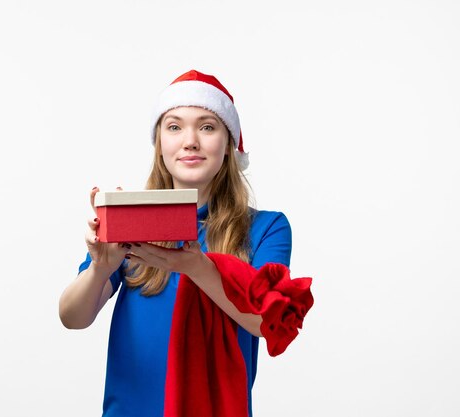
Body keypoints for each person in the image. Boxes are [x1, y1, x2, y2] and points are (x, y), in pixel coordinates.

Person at [59, 69, 312, 417]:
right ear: (160, 143)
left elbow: (263, 323)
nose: (189, 140)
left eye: (207, 126)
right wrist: (101, 268)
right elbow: (73, 317)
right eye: (174, 127)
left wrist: (196, 268)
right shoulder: (132, 220)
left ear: (229, 144)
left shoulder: (266, 228)